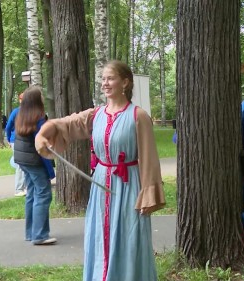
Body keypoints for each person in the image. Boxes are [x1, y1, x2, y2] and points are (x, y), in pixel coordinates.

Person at [34, 60, 165, 281]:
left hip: (128, 186)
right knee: (100, 238)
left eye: (110, 78)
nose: (105, 83)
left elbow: (149, 157)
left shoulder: (138, 116)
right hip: (101, 185)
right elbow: (66, 124)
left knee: (128, 239)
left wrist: (149, 194)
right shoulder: (97, 114)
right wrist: (44, 133)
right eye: (103, 79)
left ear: (125, 82)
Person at [13, 86, 56, 245]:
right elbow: (42, 148)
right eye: (41, 96)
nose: (43, 98)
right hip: (34, 160)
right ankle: (40, 235)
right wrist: (50, 171)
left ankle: (31, 232)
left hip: (23, 160)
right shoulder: (38, 118)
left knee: (32, 193)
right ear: (36, 100)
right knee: (44, 193)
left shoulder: (21, 115)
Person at [6, 93, 27, 196]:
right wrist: (9, 139)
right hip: (16, 140)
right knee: (20, 164)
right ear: (20, 100)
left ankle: (25, 187)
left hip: (26, 141)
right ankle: (19, 189)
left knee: (26, 164)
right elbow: (8, 126)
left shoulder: (30, 112)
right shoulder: (16, 112)